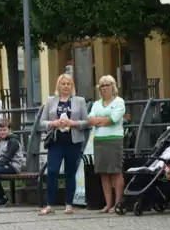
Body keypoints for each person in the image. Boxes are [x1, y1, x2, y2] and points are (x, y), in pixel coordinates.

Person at [39, 73, 89, 216]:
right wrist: (53, 123)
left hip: (73, 141)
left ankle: (69, 204)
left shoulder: (79, 101)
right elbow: (42, 122)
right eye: (63, 83)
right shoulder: (50, 101)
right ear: (58, 86)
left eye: (68, 84)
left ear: (72, 86)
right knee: (52, 171)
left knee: (70, 172)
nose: (66, 86)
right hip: (55, 141)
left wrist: (72, 123)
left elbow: (86, 122)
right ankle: (49, 205)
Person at [88, 75, 126, 213]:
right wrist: (101, 120)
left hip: (114, 139)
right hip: (99, 140)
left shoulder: (119, 102)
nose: (104, 88)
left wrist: (99, 120)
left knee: (115, 171)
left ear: (113, 86)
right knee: (103, 173)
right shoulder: (96, 103)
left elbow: (113, 119)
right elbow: (90, 119)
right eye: (101, 86)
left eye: (107, 85)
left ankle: (118, 203)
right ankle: (108, 204)